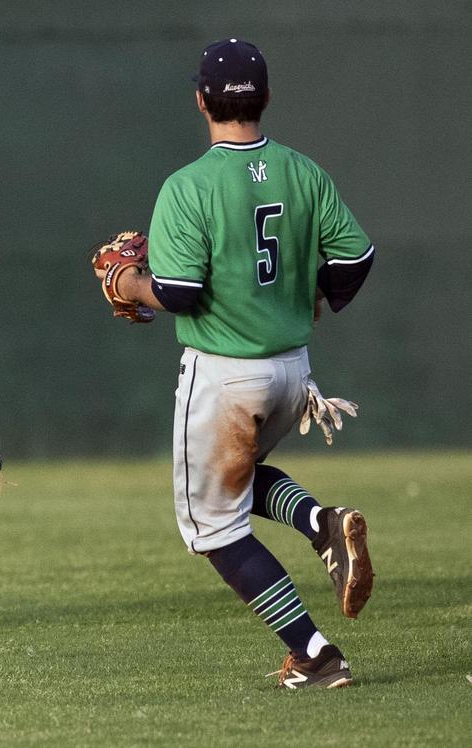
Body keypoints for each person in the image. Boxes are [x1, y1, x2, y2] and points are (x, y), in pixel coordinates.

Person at [96, 39, 376, 688]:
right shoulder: (303, 172)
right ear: (267, 97)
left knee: (214, 530)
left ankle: (313, 652)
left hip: (224, 377)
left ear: (201, 101)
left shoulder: (188, 186)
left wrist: (128, 284)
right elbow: (356, 258)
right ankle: (320, 522)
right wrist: (316, 300)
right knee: (243, 479)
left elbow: (181, 293)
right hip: (293, 374)